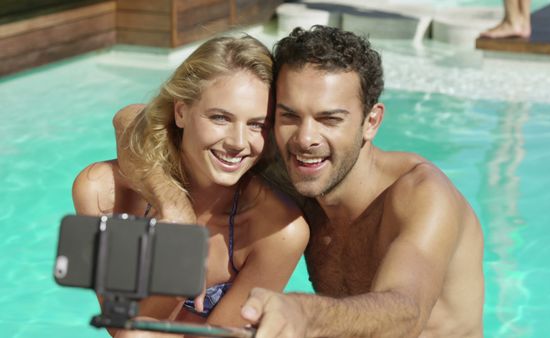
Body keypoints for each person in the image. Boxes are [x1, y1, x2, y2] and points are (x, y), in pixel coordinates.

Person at [115, 26, 485, 338]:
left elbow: (408, 311)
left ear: (371, 122)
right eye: (289, 115)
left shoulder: (420, 195)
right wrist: (172, 205)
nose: (306, 138)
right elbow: (132, 120)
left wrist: (302, 312)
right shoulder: (295, 167)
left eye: (330, 119)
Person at [72, 35, 309, 337]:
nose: (238, 143)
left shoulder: (277, 231)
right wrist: (175, 215)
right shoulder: (104, 194)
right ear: (181, 112)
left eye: (256, 125)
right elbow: (126, 329)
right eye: (220, 118)